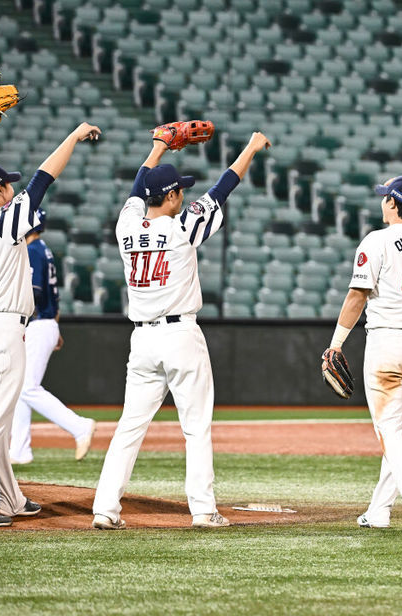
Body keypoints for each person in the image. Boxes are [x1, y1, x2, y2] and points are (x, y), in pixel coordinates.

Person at [92, 129, 271, 530]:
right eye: (180, 193)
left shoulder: (126, 227)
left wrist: (157, 145)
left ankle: (105, 508)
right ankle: (203, 510)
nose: (185, 198)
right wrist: (251, 149)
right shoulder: (180, 229)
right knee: (195, 427)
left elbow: (139, 186)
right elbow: (223, 187)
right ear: (171, 197)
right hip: (179, 336)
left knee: (129, 427)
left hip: (141, 339)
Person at [0, 115, 101, 527]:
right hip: (2, 332)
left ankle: (10, 497)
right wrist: (72, 134)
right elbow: (44, 177)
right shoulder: (4, 222)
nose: (13, 189)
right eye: (7, 185)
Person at [322, 176, 402, 531]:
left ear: (392, 204)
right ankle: (378, 511)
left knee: (389, 430)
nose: (381, 202)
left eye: (385, 197)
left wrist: (336, 343)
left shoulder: (377, 240)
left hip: (389, 344)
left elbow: (356, 296)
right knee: (400, 430)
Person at [9, 211, 97, 465]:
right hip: (45, 323)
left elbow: (33, 293)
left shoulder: (33, 250)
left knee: (27, 388)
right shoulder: (43, 249)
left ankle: (79, 426)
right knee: (22, 387)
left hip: (38, 323)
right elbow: (53, 297)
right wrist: (53, 327)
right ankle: (19, 449)